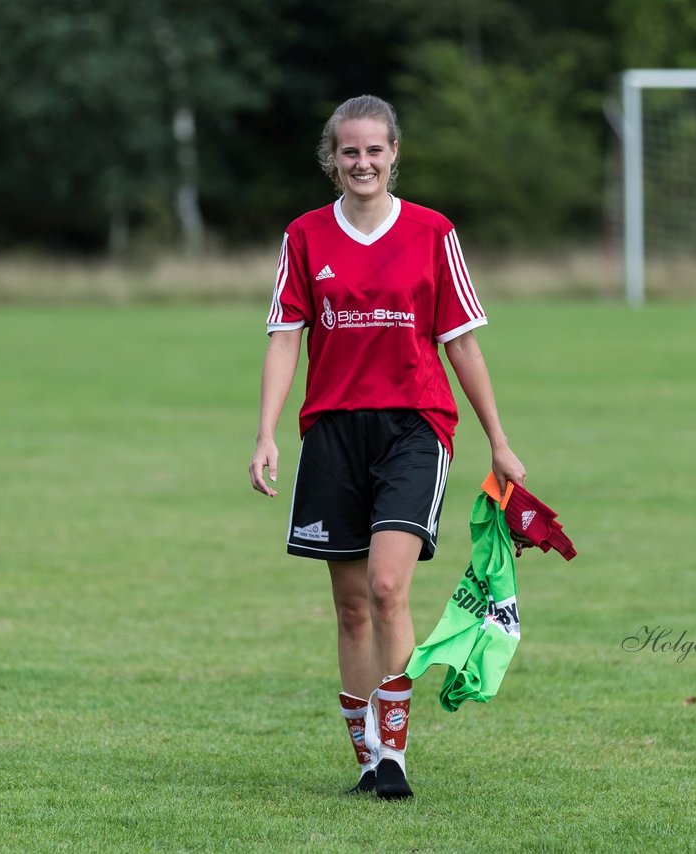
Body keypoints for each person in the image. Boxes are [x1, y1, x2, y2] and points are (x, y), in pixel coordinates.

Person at [248, 94, 525, 800]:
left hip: (414, 428)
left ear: (394, 153)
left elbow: (460, 340)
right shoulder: (305, 236)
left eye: (375, 150)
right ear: (332, 159)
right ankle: (366, 759)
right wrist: (266, 433)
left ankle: (395, 753)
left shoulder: (433, 233)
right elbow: (285, 337)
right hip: (333, 432)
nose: (363, 162)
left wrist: (498, 440)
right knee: (348, 605)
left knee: (386, 587)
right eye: (350, 151)